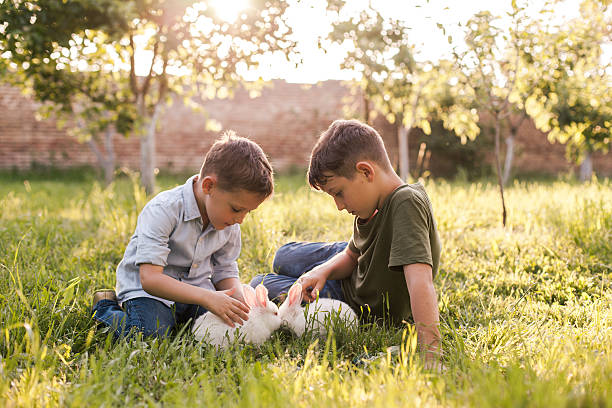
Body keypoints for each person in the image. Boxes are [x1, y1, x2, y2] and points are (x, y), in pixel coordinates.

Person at [250, 119, 442, 364]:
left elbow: (420, 281)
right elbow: (352, 255)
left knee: (261, 283)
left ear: (366, 172)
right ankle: (324, 265)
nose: (339, 206)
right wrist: (322, 271)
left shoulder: (406, 203)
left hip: (354, 301)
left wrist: (431, 352)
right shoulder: (373, 204)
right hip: (356, 267)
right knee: (284, 255)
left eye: (339, 193)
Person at [92, 131, 274, 339]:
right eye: (236, 209)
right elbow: (150, 279)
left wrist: (238, 300)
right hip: (150, 293)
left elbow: (224, 270)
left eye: (247, 212)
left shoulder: (228, 222)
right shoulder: (164, 209)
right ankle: (104, 306)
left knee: (225, 331)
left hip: (198, 291)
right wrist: (207, 298)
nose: (241, 219)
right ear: (208, 186)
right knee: (150, 335)